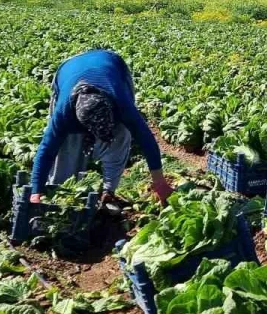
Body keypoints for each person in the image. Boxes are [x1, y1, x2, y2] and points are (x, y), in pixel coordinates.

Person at [29, 49, 172, 210]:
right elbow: (46, 150)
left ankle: (108, 192)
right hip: (69, 69)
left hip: (112, 65)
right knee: (67, 148)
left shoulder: (121, 103)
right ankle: (62, 192)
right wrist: (36, 191)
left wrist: (159, 182)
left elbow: (147, 140)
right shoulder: (64, 115)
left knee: (121, 135)